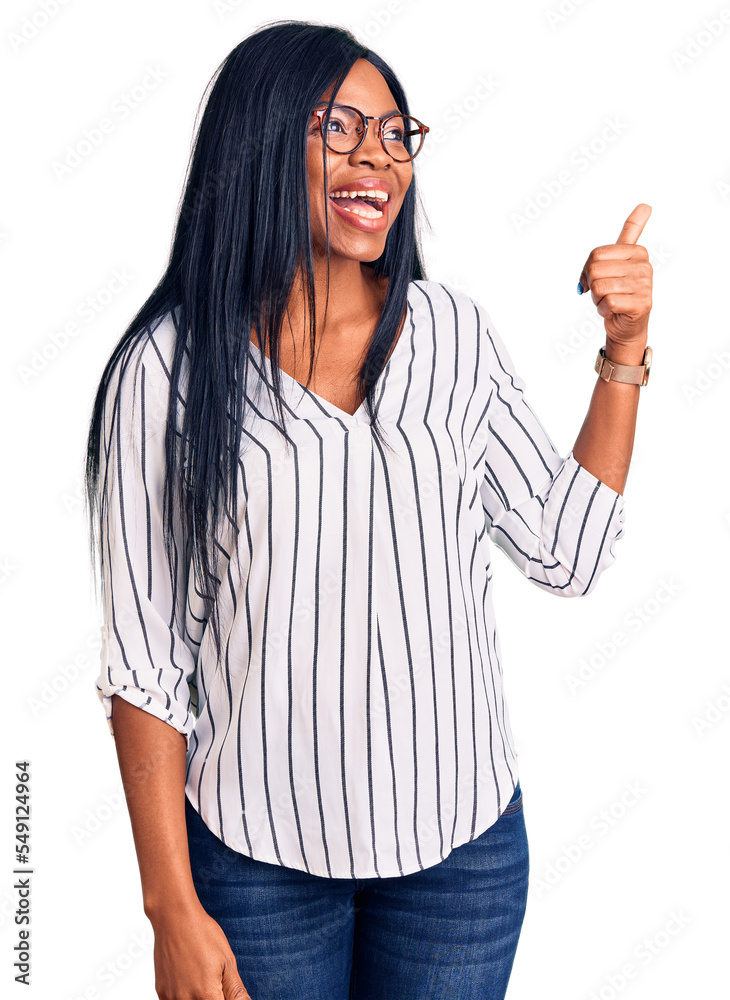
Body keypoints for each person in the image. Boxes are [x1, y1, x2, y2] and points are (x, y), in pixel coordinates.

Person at [85, 19, 653, 1000]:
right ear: (260, 141)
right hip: (257, 868)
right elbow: (146, 664)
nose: (376, 157)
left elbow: (568, 552)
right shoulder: (168, 372)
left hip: (459, 860)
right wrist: (168, 907)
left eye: (395, 134)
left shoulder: (450, 337)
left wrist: (626, 350)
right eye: (339, 127)